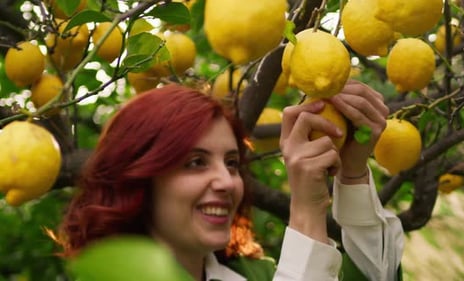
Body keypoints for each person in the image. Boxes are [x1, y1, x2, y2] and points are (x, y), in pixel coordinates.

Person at [57, 81, 404, 281]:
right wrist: (306, 211)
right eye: (195, 162)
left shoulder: (255, 275)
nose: (226, 181)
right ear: (139, 177)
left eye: (232, 162)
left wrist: (354, 171)